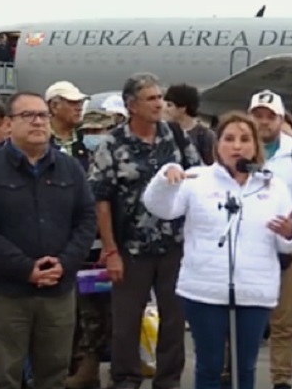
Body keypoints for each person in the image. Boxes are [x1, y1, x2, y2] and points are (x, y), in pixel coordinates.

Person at [142, 110, 292, 389]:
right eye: (229, 139)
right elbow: (160, 208)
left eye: (244, 139)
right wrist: (164, 179)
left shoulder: (272, 185)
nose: (237, 146)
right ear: (218, 145)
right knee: (209, 365)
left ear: (255, 145)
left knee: (245, 367)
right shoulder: (197, 179)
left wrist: (290, 233)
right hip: (205, 290)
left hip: (254, 291)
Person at [0, 91, 97, 389]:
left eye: (42, 115)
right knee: (4, 377)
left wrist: (65, 263)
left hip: (58, 292)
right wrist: (25, 268)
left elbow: (87, 220)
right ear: (9, 123)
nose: (37, 121)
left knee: (54, 376)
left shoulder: (70, 168)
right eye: (28, 115)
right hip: (6, 293)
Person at [89, 73, 201, 389]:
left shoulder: (175, 136)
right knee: (126, 322)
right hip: (131, 249)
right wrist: (111, 250)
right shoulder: (112, 144)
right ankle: (126, 378)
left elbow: (197, 177)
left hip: (174, 246)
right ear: (131, 106)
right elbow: (101, 200)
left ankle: (168, 380)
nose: (159, 104)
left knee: (174, 319)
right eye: (151, 98)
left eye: (160, 97)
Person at [248, 90, 292, 389]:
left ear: (281, 119)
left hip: (287, 245)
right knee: (243, 316)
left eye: (271, 116)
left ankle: (281, 379)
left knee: (285, 319)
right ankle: (234, 372)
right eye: (258, 115)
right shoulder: (237, 148)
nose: (264, 122)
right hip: (248, 246)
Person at [65, 109, 118, 389]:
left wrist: (111, 246)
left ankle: (114, 370)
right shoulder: (75, 159)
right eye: (88, 132)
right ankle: (86, 368)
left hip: (110, 247)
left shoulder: (117, 159)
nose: (93, 137)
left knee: (110, 314)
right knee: (83, 313)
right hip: (81, 248)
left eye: (99, 131)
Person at [164, 83, 215, 165]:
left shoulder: (205, 135)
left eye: (169, 105)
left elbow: (210, 165)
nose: (165, 109)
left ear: (182, 107)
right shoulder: (164, 131)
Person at [45, 81, 90, 170]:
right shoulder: (39, 140)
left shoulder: (86, 137)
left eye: (81, 102)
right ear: (54, 106)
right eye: (73, 102)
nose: (79, 108)